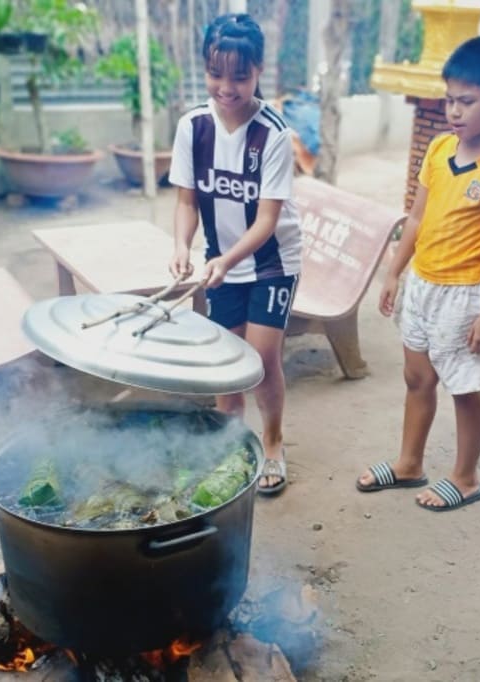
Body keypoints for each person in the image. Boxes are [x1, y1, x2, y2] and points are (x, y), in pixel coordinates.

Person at [355, 36, 480, 511]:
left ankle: (466, 477)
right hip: (423, 287)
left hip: (463, 296)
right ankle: (409, 464)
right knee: (417, 378)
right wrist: (394, 274)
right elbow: (416, 217)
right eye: (449, 100)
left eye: (466, 102)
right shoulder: (437, 149)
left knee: (464, 386)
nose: (454, 111)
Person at [167, 13, 301, 495]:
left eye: (239, 76)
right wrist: (182, 244)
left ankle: (272, 442)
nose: (226, 87)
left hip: (271, 262)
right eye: (216, 74)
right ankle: (229, 443)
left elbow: (267, 221)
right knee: (227, 358)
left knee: (261, 358)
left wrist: (226, 261)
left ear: (258, 71)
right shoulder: (193, 127)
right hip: (220, 261)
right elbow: (185, 200)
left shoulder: (273, 134)